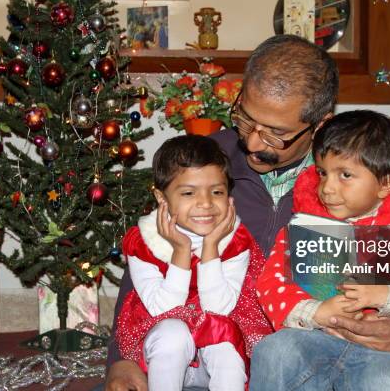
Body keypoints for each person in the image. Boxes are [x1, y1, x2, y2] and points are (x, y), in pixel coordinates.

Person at [104, 35, 390, 391]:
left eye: (276, 135)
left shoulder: (358, 185)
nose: (252, 143)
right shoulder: (205, 163)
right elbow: (150, 255)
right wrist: (121, 358)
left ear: (321, 125)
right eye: (246, 120)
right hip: (209, 358)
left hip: (321, 359)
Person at [251, 110, 390, 390]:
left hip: (382, 350)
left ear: (386, 183)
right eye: (322, 173)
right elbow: (271, 284)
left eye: (345, 175)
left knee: (388, 379)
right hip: (312, 338)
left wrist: (385, 296)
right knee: (274, 351)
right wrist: (316, 312)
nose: (327, 187)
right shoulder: (304, 226)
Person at [114, 135, 272, 391]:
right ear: (161, 198)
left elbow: (219, 308)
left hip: (216, 340)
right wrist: (181, 250)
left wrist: (211, 246)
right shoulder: (145, 240)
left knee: (225, 343)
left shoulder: (234, 240)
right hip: (161, 352)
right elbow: (163, 309)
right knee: (172, 333)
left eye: (217, 192)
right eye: (188, 193)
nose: (206, 204)